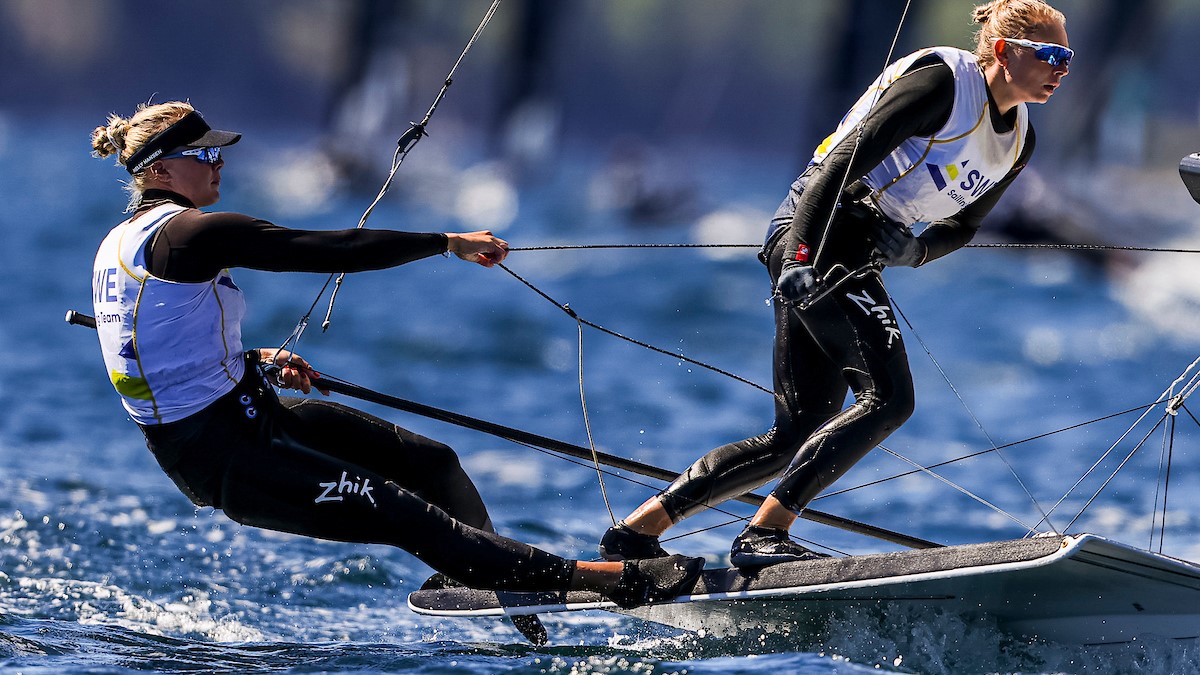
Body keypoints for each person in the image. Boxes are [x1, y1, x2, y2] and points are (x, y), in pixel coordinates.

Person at [89, 101, 704, 620]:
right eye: (205, 155)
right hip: (222, 455)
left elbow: (152, 348)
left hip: (250, 416)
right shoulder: (191, 235)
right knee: (403, 514)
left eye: (219, 151)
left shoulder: (125, 243)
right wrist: (446, 242)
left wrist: (251, 359)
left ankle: (494, 581)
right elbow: (328, 248)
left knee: (430, 463)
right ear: (162, 169)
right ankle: (613, 579)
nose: (219, 163)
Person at [599, 0, 1070, 567]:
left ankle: (637, 533)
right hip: (818, 231)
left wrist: (917, 251)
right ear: (1002, 51)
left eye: (1068, 57)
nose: (1061, 68)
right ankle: (764, 534)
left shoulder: (1020, 140)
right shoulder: (941, 86)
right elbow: (835, 167)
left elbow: (963, 227)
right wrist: (798, 255)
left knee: (795, 434)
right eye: (1050, 55)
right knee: (890, 400)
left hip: (859, 251)